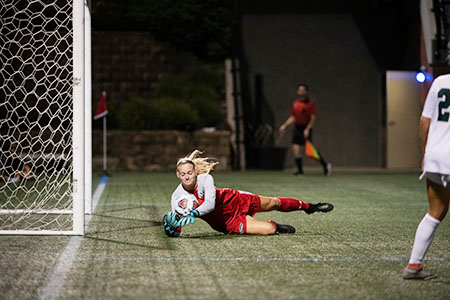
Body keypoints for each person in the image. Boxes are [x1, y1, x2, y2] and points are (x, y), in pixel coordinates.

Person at [163, 150, 334, 237]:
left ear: (195, 172)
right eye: (183, 174)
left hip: (235, 200)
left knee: (274, 202)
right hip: (227, 222)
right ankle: (276, 225)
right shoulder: (176, 198)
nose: (187, 176)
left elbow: (210, 204)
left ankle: (310, 207)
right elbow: (177, 230)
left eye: (190, 172)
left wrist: (193, 213)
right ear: (178, 175)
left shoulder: (205, 179)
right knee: (268, 229)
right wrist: (172, 228)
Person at [402, 74, 450, 280]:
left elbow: (424, 120)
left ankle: (413, 265)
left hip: (436, 155)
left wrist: (425, 155)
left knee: (436, 210)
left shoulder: (440, 82)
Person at [279, 83, 330, 176]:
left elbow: (313, 117)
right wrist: (285, 125)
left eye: (303, 90)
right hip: (297, 128)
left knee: (310, 151)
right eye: (299, 90)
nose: (301, 92)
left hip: (305, 128)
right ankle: (300, 171)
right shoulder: (295, 104)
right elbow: (293, 117)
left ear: (306, 92)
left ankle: (325, 165)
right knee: (295, 149)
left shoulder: (310, 104)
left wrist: (307, 128)